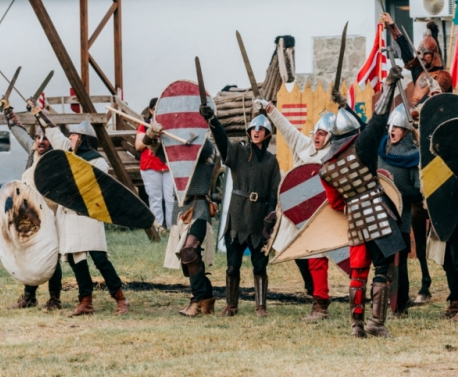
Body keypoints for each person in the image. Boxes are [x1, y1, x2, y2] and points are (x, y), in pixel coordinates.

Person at [321, 66, 406, 338]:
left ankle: (356, 325)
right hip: (378, 212)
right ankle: (376, 323)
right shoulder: (363, 145)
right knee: (383, 267)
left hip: (355, 219)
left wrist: (345, 105)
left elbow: (335, 203)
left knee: (358, 273)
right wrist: (391, 83)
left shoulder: (327, 166)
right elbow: (379, 117)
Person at [40, 118, 129, 316]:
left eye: (73, 135)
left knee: (99, 259)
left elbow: (94, 188)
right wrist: (39, 112)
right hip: (69, 216)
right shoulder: (70, 152)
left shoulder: (97, 161)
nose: (70, 137)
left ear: (81, 139)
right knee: (76, 259)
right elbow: (54, 132)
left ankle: (121, 298)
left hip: (88, 214)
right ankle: (85, 301)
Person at [258, 97, 336, 320]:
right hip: (297, 215)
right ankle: (314, 293)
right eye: (315, 133)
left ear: (330, 136)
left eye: (322, 134)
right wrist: (270, 109)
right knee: (298, 252)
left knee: (317, 257)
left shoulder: (334, 156)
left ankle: (321, 305)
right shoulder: (303, 146)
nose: (316, 137)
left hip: (322, 215)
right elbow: (286, 129)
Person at [200, 107, 280, 318]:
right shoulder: (238, 152)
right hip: (237, 216)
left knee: (259, 266)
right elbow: (223, 142)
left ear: (267, 134)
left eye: (261, 128)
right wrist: (213, 120)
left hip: (258, 218)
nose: (256, 131)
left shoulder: (271, 161)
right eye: (253, 127)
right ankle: (231, 305)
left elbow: (273, 194)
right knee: (232, 266)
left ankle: (261, 306)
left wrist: (270, 217)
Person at [144, 116, 217, 317]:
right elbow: (153, 148)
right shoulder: (176, 155)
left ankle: (196, 301)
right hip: (182, 209)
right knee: (190, 261)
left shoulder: (207, 150)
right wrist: (152, 135)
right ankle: (207, 299)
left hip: (200, 207)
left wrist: (192, 135)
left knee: (189, 252)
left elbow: (205, 148)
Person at [1, 104, 62, 311]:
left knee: (51, 255)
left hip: (51, 215)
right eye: (38, 138)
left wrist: (41, 115)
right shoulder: (32, 152)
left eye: (45, 138)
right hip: (29, 212)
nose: (40, 141)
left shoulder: (58, 159)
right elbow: (21, 135)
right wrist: (10, 118)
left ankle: (55, 298)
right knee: (28, 252)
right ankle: (29, 296)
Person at [377, 104, 421, 316]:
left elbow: (420, 192)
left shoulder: (413, 157)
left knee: (400, 262)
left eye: (397, 127)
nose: (392, 130)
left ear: (406, 131)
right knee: (381, 261)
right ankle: (381, 301)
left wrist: (398, 193)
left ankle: (400, 304)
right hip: (378, 214)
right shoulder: (381, 149)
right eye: (390, 127)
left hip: (400, 217)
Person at [380, 13, 452, 112]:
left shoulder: (443, 76)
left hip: (432, 117)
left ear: (434, 55)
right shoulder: (418, 71)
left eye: (426, 53)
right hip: (415, 117)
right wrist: (392, 25)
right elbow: (405, 51)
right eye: (419, 53)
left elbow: (431, 99)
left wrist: (414, 112)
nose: (421, 57)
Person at [135, 98, 175, 230]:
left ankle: (172, 229)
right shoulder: (145, 124)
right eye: (156, 108)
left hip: (168, 165)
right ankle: (158, 230)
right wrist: (150, 134)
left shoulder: (171, 125)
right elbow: (139, 146)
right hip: (150, 165)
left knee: (171, 199)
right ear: (151, 110)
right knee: (155, 200)